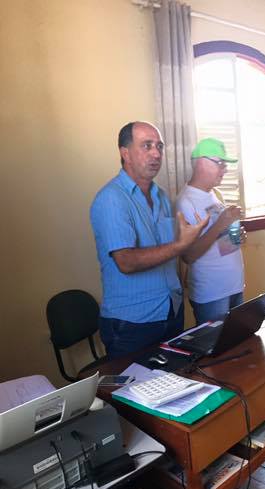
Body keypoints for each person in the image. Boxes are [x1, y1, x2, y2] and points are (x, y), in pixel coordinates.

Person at [90, 121, 207, 357]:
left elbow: (172, 250)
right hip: (132, 324)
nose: (156, 153)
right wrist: (180, 245)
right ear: (125, 153)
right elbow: (126, 262)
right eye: (147, 146)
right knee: (133, 383)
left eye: (159, 146)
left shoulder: (161, 196)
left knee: (176, 378)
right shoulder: (111, 198)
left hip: (171, 311)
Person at [176, 138, 245, 325]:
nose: (225, 170)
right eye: (220, 163)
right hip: (212, 294)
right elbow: (188, 256)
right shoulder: (185, 202)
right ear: (201, 163)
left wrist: (234, 237)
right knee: (215, 344)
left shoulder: (215, 194)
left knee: (239, 340)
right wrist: (220, 224)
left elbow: (219, 244)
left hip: (234, 286)